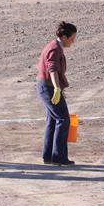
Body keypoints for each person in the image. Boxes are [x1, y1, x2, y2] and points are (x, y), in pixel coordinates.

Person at [36, 21, 77, 166]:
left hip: (46, 87)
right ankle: (59, 157)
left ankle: (49, 156)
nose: (73, 41)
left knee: (53, 120)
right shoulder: (55, 49)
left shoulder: (53, 46)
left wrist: (58, 88)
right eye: (72, 38)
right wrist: (57, 88)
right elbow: (52, 69)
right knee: (63, 119)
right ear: (64, 37)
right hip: (48, 87)